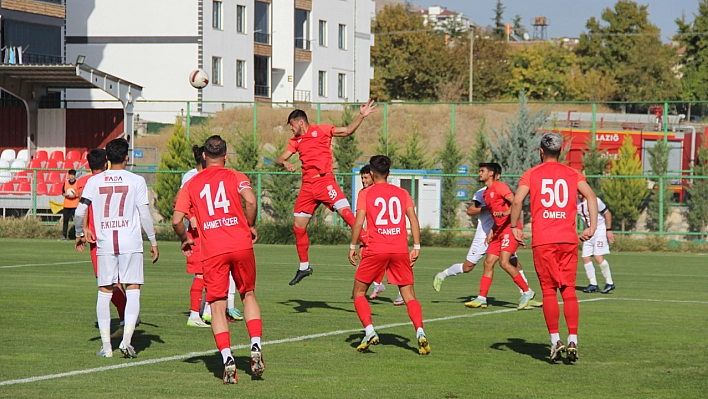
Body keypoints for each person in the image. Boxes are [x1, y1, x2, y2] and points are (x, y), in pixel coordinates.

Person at [173, 135, 264, 384]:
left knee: (217, 305)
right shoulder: (235, 176)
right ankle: (255, 345)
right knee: (248, 295)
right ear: (226, 155)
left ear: (204, 155)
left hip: (213, 250)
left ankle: (228, 359)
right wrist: (251, 224)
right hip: (241, 243)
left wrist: (184, 239)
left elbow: (176, 219)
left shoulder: (192, 183)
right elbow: (252, 200)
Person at [510, 133, 598, 363]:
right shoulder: (573, 174)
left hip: (544, 240)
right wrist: (592, 226)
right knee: (568, 290)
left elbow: (517, 201)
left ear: (541, 151)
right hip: (568, 239)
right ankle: (573, 340)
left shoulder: (531, 174)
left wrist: (514, 226)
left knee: (549, 291)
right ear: (561, 152)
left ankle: (555, 340)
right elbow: (591, 196)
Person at [275, 100, 377, 285]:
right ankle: (304, 266)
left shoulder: (321, 130)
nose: (290, 129)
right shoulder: (295, 141)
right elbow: (279, 158)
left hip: (325, 182)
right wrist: (285, 163)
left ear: (300, 122)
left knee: (346, 214)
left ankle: (369, 242)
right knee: (298, 227)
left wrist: (361, 115)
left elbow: (346, 131)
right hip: (307, 187)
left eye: (291, 125)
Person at [74, 138, 159, 359]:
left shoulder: (94, 181)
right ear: (127, 157)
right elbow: (145, 214)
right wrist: (153, 240)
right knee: (132, 289)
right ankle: (127, 341)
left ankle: (106, 347)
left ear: (108, 159)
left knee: (104, 291)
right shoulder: (137, 180)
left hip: (105, 243)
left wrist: (78, 233)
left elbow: (79, 213)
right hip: (130, 241)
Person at [348, 155, 430, 355]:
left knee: (359, 293)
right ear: (389, 173)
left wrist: (352, 245)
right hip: (400, 249)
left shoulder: (365, 193)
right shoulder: (402, 192)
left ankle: (369, 330)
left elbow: (359, 222)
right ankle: (420, 331)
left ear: (371, 174)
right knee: (409, 296)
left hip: (376, 248)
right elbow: (413, 219)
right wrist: (417, 246)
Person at [432, 166, 540, 309]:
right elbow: (489, 214)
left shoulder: (500, 187)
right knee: (487, 263)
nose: (479, 173)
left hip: (508, 230)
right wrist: (493, 230)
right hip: (496, 231)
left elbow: (515, 203)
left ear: (491, 174)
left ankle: (527, 292)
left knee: (505, 262)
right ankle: (482, 297)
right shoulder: (485, 194)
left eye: (482, 171)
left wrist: (513, 224)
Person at [180, 145, 243, 327]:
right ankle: (194, 315)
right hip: (199, 234)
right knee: (201, 274)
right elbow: (179, 203)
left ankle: (209, 312)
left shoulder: (212, 177)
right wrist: (191, 217)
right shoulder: (193, 177)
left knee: (213, 273)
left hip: (213, 232)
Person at [75, 149, 127, 337]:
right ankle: (127, 315)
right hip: (120, 234)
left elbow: (83, 208)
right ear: (106, 163)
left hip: (98, 239)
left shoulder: (87, 182)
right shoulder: (118, 178)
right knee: (119, 281)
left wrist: (81, 232)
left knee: (107, 283)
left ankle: (126, 317)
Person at [577, 192, 616, 294]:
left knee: (598, 256)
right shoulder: (575, 203)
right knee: (585, 257)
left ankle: (609, 282)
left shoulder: (595, 200)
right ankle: (593, 284)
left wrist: (608, 230)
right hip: (589, 231)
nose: (578, 193)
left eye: (580, 190)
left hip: (600, 231)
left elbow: (607, 213)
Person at [60, 169, 79, 240]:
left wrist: (75, 195)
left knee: (77, 221)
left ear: (75, 175)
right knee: (65, 221)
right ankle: (64, 235)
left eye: (73, 175)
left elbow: (80, 193)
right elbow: (62, 192)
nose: (72, 176)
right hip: (67, 205)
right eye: (70, 175)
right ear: (69, 175)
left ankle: (78, 235)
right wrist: (65, 195)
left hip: (75, 205)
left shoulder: (77, 183)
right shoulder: (66, 183)